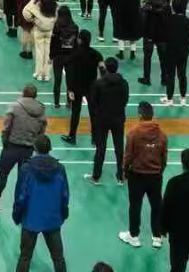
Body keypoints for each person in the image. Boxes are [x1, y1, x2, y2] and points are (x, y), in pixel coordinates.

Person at [0, 84, 47, 212]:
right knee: (23, 178)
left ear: (23, 93)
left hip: (11, 147)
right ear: (35, 95)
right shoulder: (41, 110)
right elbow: (42, 131)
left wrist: (5, 142)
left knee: (2, 174)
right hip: (28, 149)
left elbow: (6, 127)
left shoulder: (15, 107)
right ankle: (20, 205)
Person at [12, 135, 69, 272]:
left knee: (25, 257)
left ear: (35, 148)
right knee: (58, 258)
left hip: (31, 220)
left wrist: (17, 215)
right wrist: (63, 214)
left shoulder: (26, 169)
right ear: (50, 148)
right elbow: (65, 195)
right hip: (52, 219)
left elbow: (21, 196)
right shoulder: (60, 169)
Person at [118, 101, 168, 249]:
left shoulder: (133, 133)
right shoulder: (162, 135)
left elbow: (128, 156)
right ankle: (157, 237)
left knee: (135, 206)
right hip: (155, 176)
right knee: (156, 205)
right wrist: (159, 171)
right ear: (152, 115)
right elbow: (164, 157)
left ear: (140, 115)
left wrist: (124, 171)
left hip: (137, 176)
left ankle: (134, 236)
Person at [88, 57, 128, 185]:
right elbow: (125, 100)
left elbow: (93, 102)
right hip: (118, 118)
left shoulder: (98, 84)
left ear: (106, 67)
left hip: (102, 119)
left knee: (100, 148)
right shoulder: (124, 83)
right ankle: (121, 176)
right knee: (119, 148)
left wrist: (98, 113)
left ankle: (96, 176)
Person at [60, 29, 101, 146]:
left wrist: (70, 89)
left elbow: (70, 73)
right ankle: (95, 137)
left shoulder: (75, 55)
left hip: (77, 88)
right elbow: (103, 69)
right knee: (93, 113)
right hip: (91, 87)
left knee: (75, 112)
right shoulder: (96, 54)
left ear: (80, 40)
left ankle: (72, 136)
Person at [163, 0, 189, 107]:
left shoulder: (168, 20)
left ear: (173, 8)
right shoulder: (187, 21)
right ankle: (183, 98)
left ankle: (169, 99)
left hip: (170, 53)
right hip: (183, 53)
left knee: (170, 76)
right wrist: (186, 52)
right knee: (182, 75)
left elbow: (165, 37)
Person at [138, 0, 169, 87]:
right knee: (163, 58)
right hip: (162, 35)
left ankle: (147, 78)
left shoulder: (146, 4)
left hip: (149, 34)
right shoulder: (164, 2)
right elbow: (169, 19)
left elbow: (142, 20)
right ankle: (164, 79)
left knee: (147, 57)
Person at [22, 0, 57, 82]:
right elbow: (58, 16)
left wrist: (33, 20)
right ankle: (47, 75)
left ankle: (39, 74)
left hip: (39, 30)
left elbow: (25, 11)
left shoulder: (36, 2)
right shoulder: (55, 4)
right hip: (50, 31)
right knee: (49, 53)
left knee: (39, 52)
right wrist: (53, 22)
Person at [49, 6, 78, 108]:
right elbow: (76, 44)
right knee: (70, 82)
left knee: (57, 81)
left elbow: (53, 43)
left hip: (58, 57)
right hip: (70, 57)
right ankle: (69, 102)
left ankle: (56, 103)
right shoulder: (75, 27)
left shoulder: (57, 27)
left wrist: (51, 56)